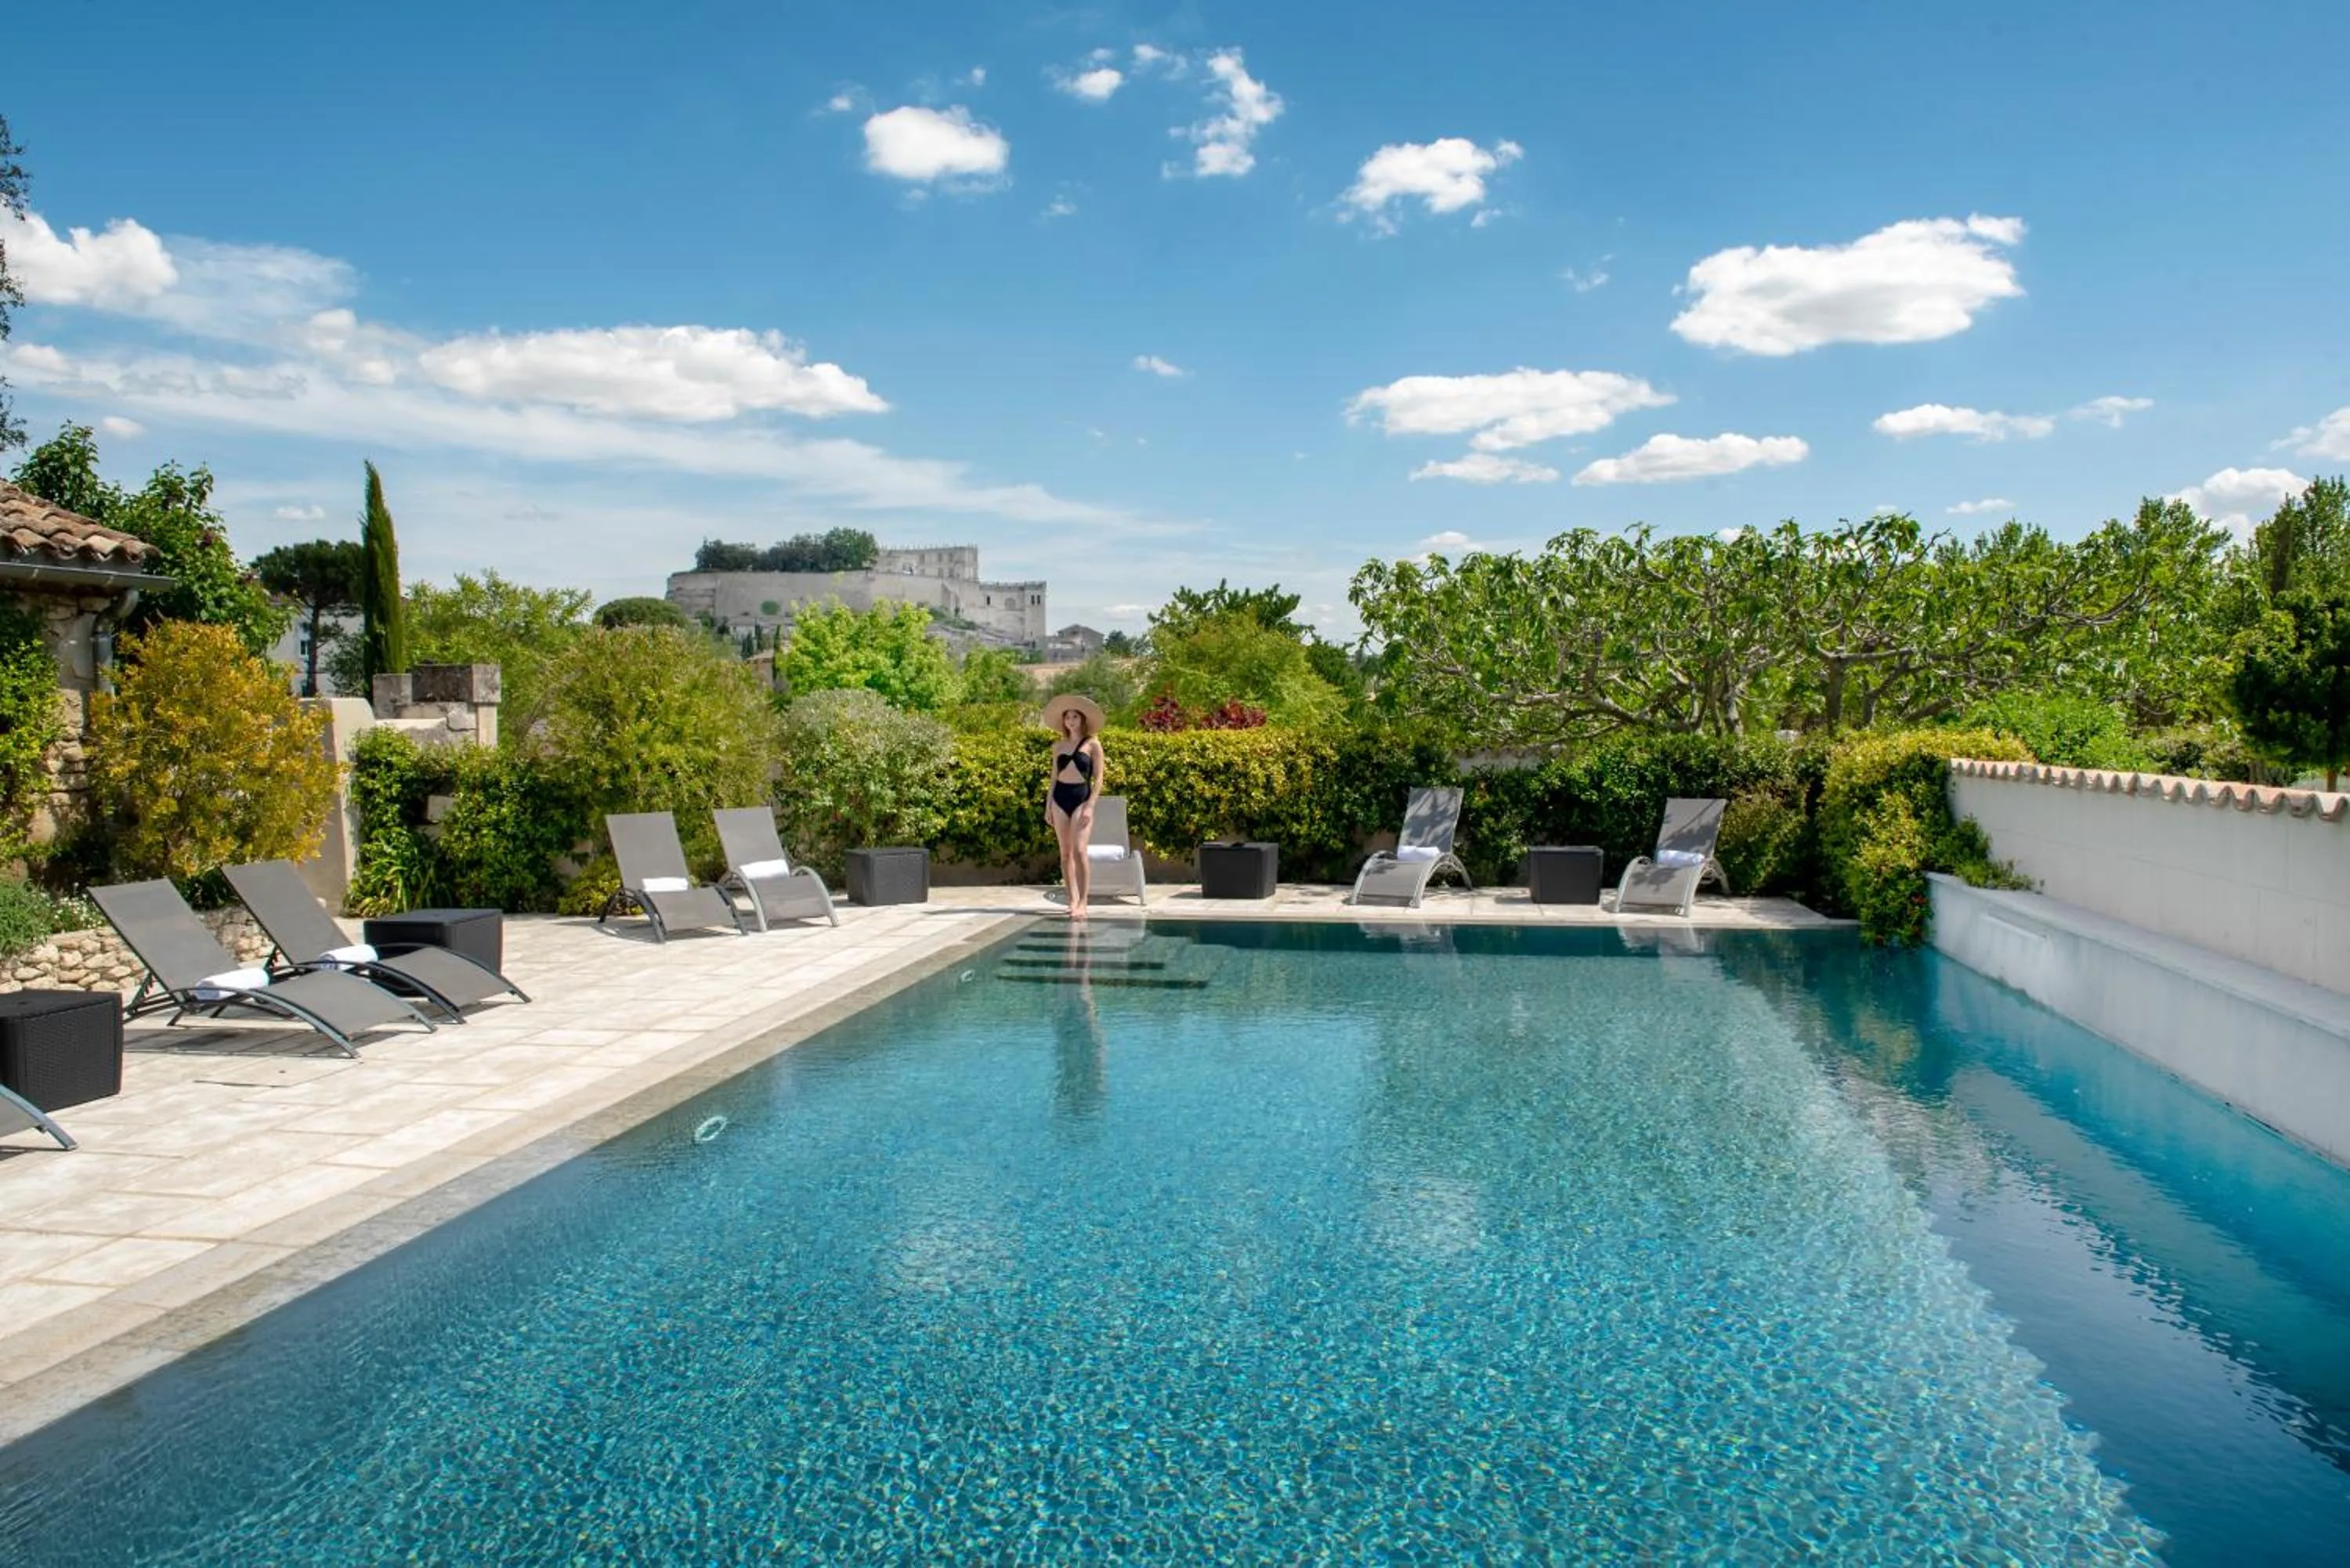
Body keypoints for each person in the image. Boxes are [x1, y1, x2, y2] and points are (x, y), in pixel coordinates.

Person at [1041, 692, 1106, 920]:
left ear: (1083, 719)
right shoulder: (1058, 746)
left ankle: (1083, 901)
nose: (1071, 721)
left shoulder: (1093, 744)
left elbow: (1099, 779)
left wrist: (1090, 805)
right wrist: (1048, 805)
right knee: (1065, 853)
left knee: (1080, 850)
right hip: (1060, 797)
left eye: (1075, 717)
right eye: (1067, 717)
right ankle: (1071, 899)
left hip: (1081, 797)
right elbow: (1053, 779)